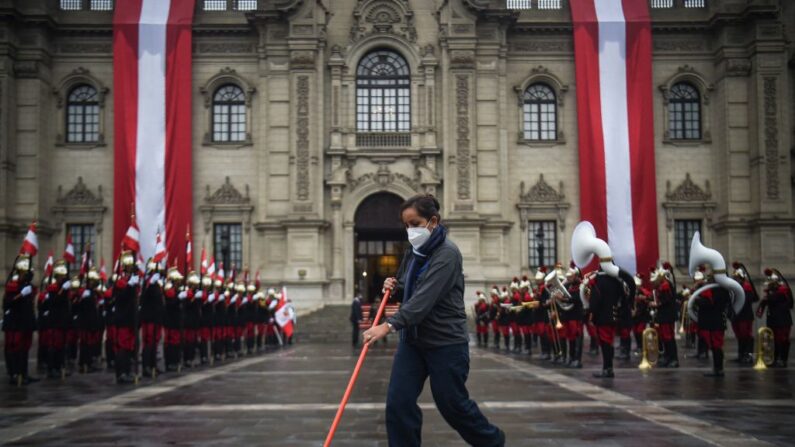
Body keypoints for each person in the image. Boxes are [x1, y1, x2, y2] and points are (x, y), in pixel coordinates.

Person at [362, 194, 505, 447]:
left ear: (433, 221)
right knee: (398, 403)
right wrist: (394, 286)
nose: (410, 230)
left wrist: (387, 325)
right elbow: (409, 285)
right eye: (406, 226)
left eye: (415, 223)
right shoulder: (414, 252)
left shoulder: (447, 254)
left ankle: (492, 442)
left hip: (445, 343)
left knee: (453, 406)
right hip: (413, 343)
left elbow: (423, 300)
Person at [759, 268, 793, 367]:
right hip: (773, 319)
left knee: (782, 340)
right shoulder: (771, 292)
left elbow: (790, 304)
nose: (769, 283)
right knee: (773, 340)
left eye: (771, 281)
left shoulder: (783, 290)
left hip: (782, 320)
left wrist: (769, 298)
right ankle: (775, 359)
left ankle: (783, 360)